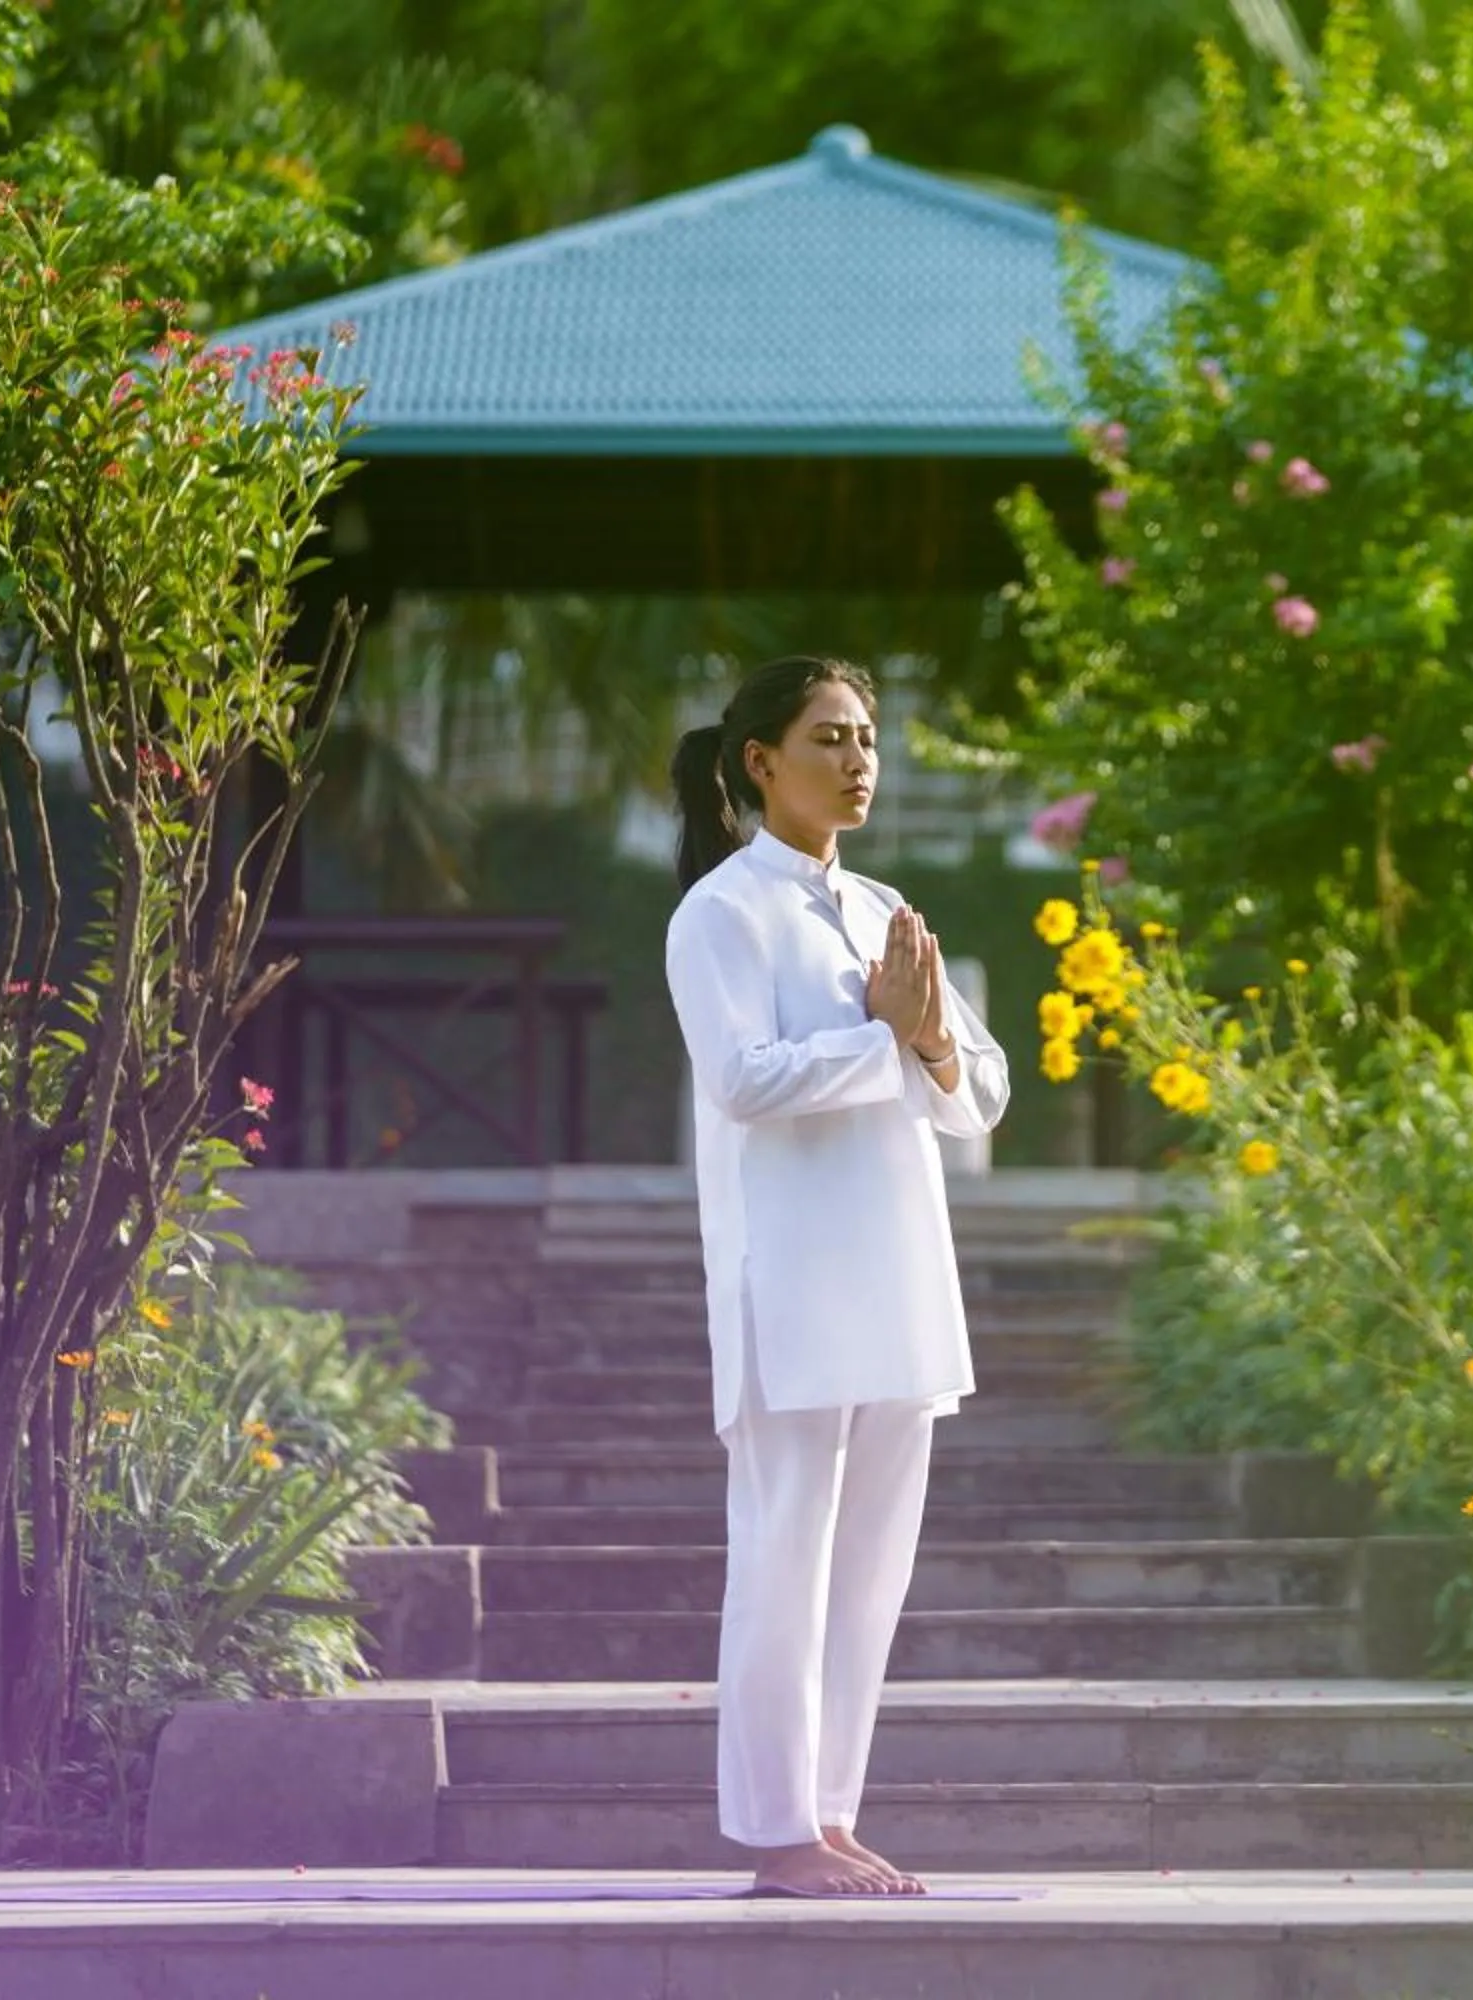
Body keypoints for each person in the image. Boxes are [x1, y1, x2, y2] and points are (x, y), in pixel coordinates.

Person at [663, 656, 1010, 1898]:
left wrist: (919, 1032)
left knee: (869, 1578)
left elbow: (983, 1095)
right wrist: (888, 1037)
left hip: (902, 1277)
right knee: (783, 1561)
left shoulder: (884, 907)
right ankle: (773, 1834)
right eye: (829, 736)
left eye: (868, 736)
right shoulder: (721, 912)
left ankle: (828, 1812)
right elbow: (745, 1080)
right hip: (792, 1289)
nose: (859, 759)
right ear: (760, 760)